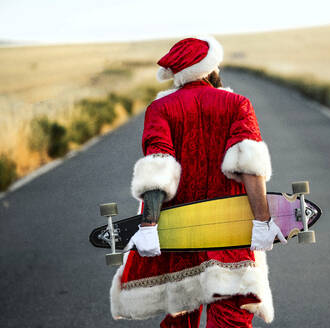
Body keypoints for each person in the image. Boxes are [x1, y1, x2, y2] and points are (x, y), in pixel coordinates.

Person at [110, 36, 286, 328]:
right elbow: (250, 167)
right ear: (210, 68)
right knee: (232, 319)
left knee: (180, 319)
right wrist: (263, 221)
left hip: (179, 235)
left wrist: (149, 227)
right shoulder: (237, 104)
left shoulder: (160, 109)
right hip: (229, 236)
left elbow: (158, 170)